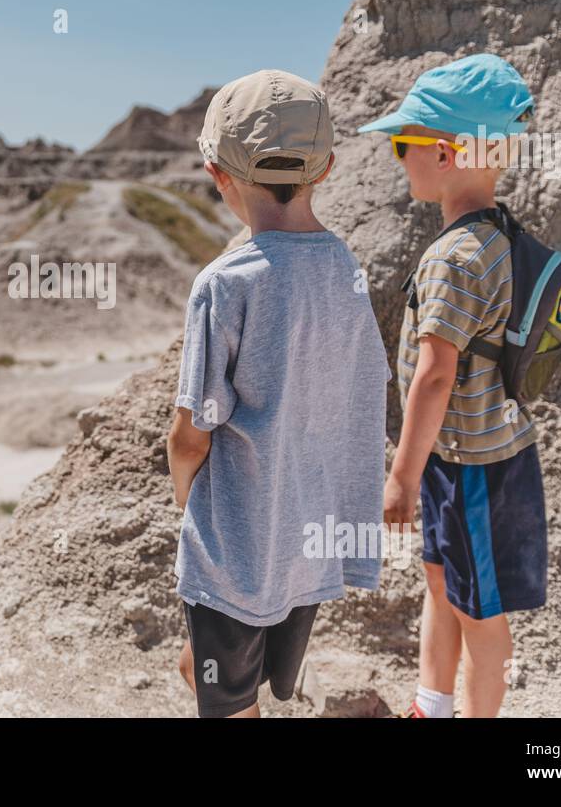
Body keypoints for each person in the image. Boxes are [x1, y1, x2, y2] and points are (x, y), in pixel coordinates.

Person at [168, 69, 390, 718]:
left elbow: (190, 434)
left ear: (216, 172)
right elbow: (357, 390)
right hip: (308, 541)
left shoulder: (224, 284)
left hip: (240, 547)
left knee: (229, 701)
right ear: (327, 168)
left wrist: (191, 507)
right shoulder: (344, 267)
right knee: (221, 673)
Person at [357, 53, 547, 718]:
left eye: (401, 143)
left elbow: (436, 375)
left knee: (478, 613)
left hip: (470, 467)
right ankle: (431, 706)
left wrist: (402, 476)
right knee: (443, 584)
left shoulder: (453, 256)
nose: (395, 155)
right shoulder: (502, 237)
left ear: (444, 152)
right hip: (475, 454)